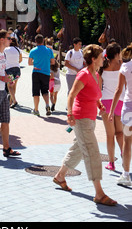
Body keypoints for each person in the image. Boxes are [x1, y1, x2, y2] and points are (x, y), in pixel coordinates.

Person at [53, 44, 117, 207]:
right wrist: (69, 114)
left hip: (90, 119)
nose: (104, 59)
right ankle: (99, 193)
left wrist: (99, 104)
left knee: (79, 149)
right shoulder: (83, 74)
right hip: (80, 119)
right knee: (92, 152)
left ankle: (60, 176)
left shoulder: (95, 74)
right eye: (102, 57)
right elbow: (71, 95)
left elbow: (92, 94)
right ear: (94, 59)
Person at [108, 43, 132, 187]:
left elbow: (118, 90)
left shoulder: (125, 67)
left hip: (129, 107)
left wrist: (111, 111)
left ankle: (126, 175)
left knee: (127, 142)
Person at [99, 42, 124, 171]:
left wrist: (98, 105)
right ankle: (124, 153)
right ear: (117, 54)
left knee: (110, 135)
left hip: (106, 102)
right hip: (120, 101)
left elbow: (98, 89)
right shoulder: (123, 66)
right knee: (120, 133)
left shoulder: (103, 67)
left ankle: (111, 163)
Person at [28, 34, 55, 116]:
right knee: (45, 91)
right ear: (43, 40)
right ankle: (47, 105)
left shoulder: (33, 51)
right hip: (46, 73)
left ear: (35, 41)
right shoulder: (49, 50)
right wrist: (46, 62)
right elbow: (53, 62)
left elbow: (29, 63)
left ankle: (36, 110)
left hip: (36, 72)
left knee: (36, 92)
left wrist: (36, 62)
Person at [5, 37, 22, 108]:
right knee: (14, 86)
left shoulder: (6, 50)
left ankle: (14, 101)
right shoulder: (18, 50)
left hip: (9, 70)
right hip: (17, 70)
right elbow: (20, 60)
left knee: (9, 86)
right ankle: (10, 102)